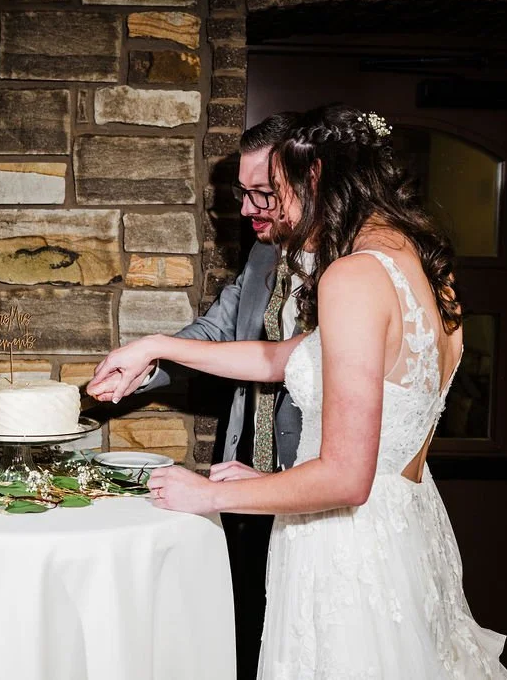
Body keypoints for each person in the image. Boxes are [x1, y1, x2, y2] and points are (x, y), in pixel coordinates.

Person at [87, 104, 507, 679]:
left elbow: (346, 478)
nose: (272, 212)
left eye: (278, 190)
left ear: (317, 180)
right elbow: (282, 359)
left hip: (345, 555)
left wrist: (206, 496)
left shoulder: (353, 277)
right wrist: (156, 346)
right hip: (401, 536)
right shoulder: (423, 267)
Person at [97, 111, 311, 680]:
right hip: (237, 480)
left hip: (310, 489)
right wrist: (144, 367)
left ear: (308, 181)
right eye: (243, 194)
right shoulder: (263, 253)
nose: (246, 211)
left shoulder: (353, 268)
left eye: (261, 194)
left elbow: (288, 362)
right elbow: (216, 331)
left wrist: (154, 345)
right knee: (242, 636)